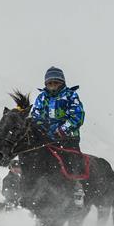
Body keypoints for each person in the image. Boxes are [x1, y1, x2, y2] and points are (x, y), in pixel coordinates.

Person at [30, 66, 86, 206]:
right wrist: (42, 128)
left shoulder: (70, 96)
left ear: (62, 83)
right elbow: (35, 116)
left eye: (56, 83)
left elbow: (77, 116)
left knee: (72, 158)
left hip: (68, 137)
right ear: (46, 84)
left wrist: (62, 129)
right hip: (47, 137)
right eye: (50, 83)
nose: (53, 86)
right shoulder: (42, 97)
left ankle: (77, 186)